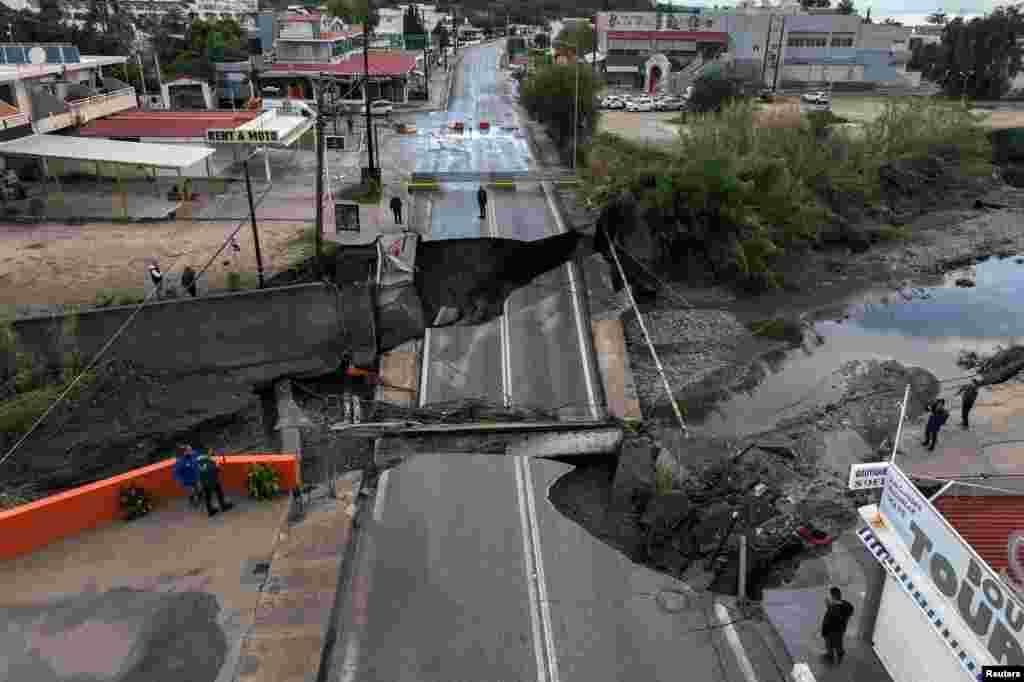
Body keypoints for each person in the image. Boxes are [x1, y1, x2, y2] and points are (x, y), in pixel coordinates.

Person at [196, 448, 234, 517]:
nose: (212, 452)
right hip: (213, 481)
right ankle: (223, 506)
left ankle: (210, 511)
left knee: (207, 496)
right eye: (210, 451)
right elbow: (218, 469)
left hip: (203, 481)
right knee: (219, 493)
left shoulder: (197, 461)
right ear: (207, 452)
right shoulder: (210, 461)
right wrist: (218, 464)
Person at [821, 586, 855, 665]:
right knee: (837, 642)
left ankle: (831, 656)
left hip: (832, 629)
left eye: (830, 595)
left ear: (834, 596)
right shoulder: (845, 604)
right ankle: (838, 653)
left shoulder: (837, 606)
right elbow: (848, 611)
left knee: (831, 643)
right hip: (838, 629)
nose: (829, 597)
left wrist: (829, 606)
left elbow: (835, 616)